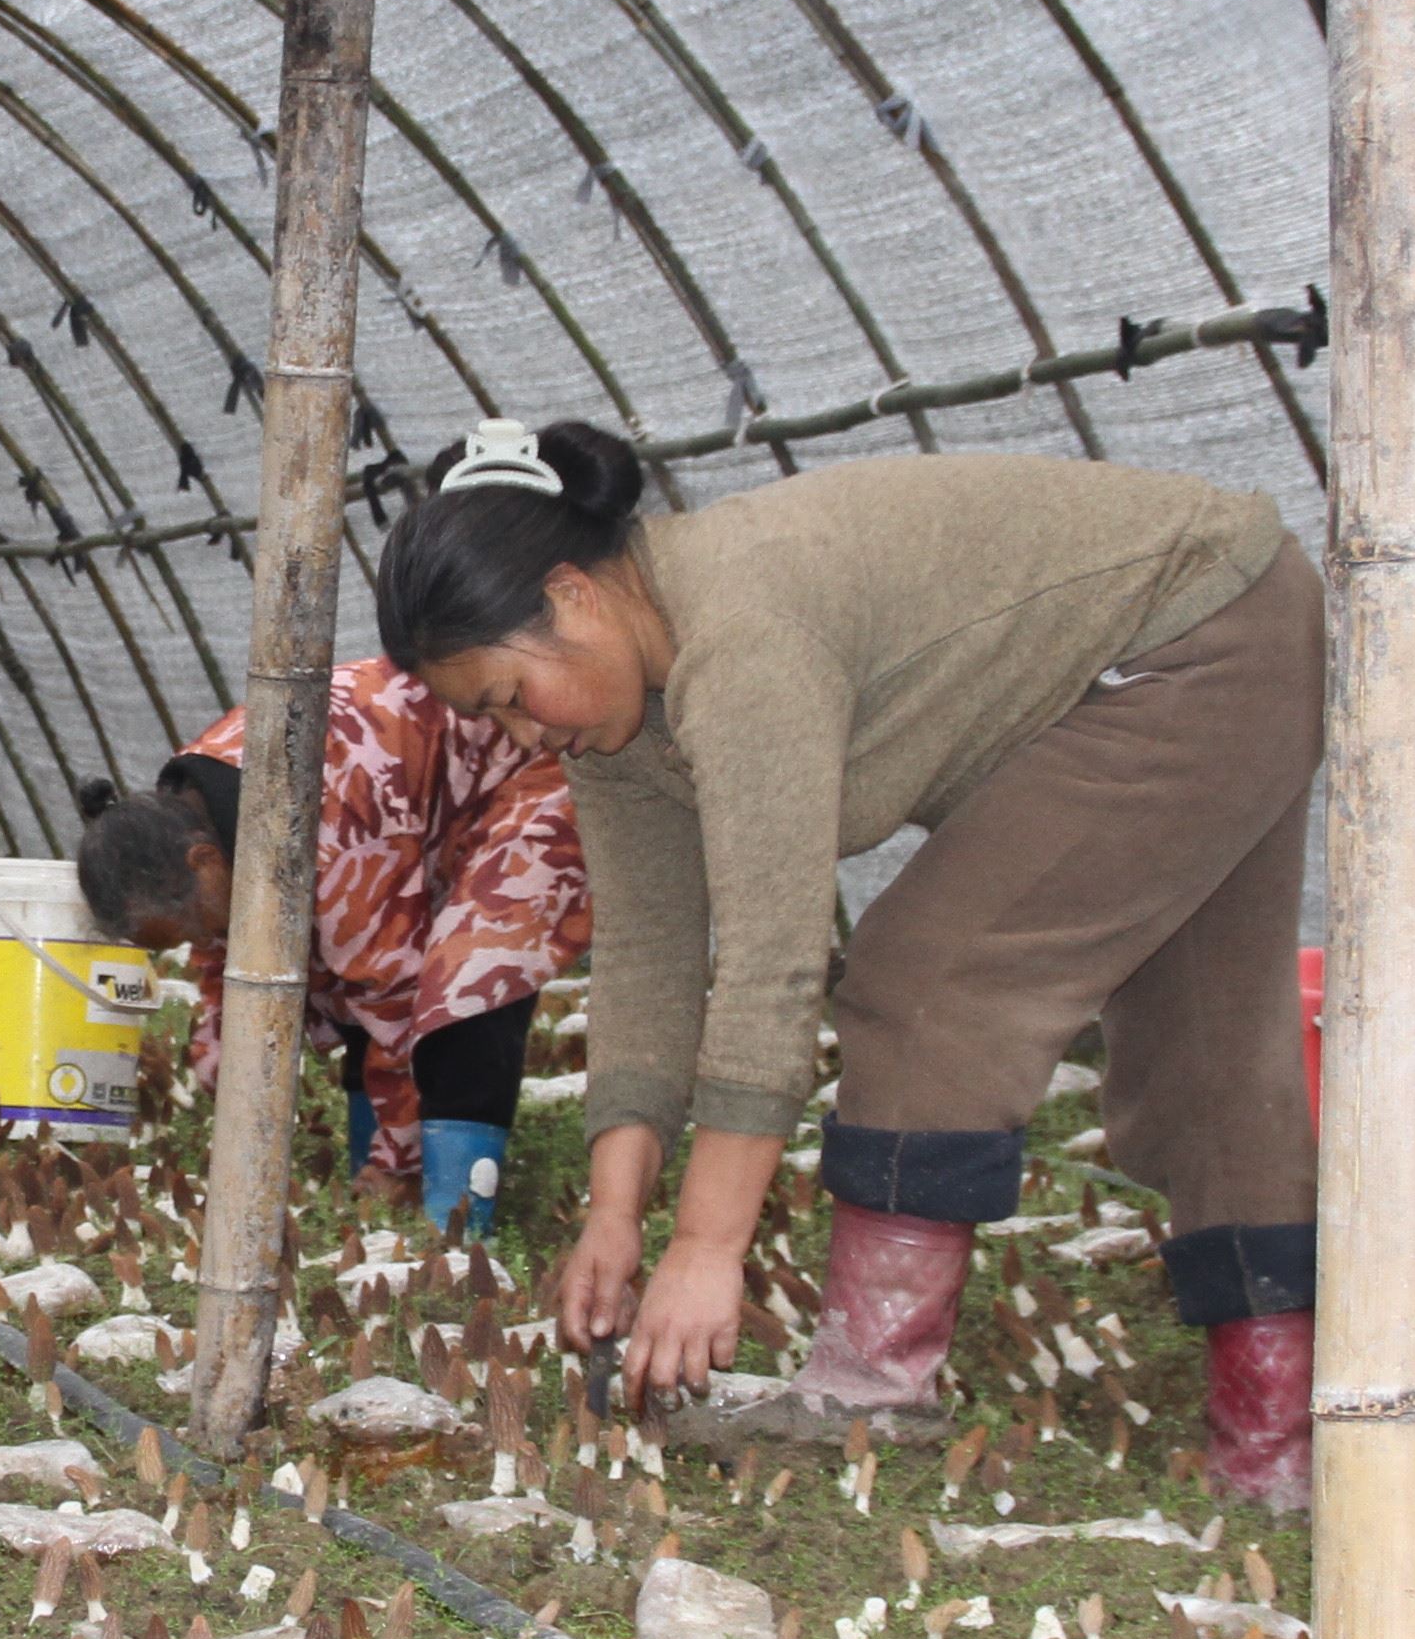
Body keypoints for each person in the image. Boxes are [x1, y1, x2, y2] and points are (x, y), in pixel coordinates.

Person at [374, 417, 1326, 1506]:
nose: (522, 738)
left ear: (573, 595)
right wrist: (615, 1214)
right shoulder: (622, 717)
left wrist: (707, 1247)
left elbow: (770, 964)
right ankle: (1277, 1449)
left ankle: (875, 1389)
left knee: (930, 986)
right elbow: (646, 954)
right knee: (1208, 1036)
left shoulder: (742, 642)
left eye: (509, 696)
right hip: (1227, 622)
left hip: (1198, 639)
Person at [69, 659, 589, 1232]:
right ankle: (383, 1173)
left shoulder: (319, 830)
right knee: (342, 976)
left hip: (534, 764)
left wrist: (398, 1162)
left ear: (204, 861)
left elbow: (393, 998)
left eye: (192, 928)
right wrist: (222, 1044)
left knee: (467, 984)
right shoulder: (195, 810)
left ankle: (451, 1212)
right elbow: (226, 949)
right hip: (425, 808)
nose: (203, 943)